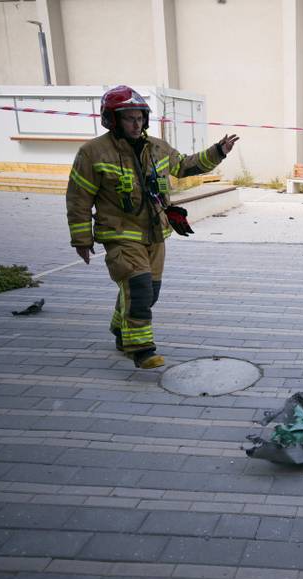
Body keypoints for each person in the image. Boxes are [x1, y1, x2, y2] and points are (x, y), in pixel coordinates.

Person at [66, 85, 238, 369]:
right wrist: (81, 239)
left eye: (140, 118)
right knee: (139, 288)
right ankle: (141, 350)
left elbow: (184, 166)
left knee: (148, 292)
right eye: (129, 119)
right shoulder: (92, 153)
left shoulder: (157, 148)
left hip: (155, 234)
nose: (136, 124)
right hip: (119, 235)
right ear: (112, 120)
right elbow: (78, 198)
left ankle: (121, 328)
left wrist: (218, 151)